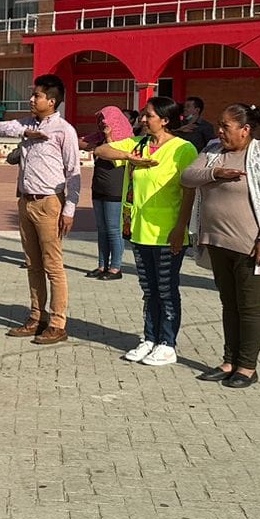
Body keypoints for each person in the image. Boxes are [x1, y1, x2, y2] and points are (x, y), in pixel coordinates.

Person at [181, 104, 260, 389]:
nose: (220, 131)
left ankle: (247, 366)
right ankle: (229, 361)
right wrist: (216, 174)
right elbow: (187, 177)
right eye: (219, 125)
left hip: (252, 247)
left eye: (226, 126)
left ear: (245, 130)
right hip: (217, 242)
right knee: (229, 304)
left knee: (250, 306)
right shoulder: (213, 150)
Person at [96, 96, 197, 364]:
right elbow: (101, 151)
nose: (142, 119)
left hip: (167, 232)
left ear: (165, 120)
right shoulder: (139, 144)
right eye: (143, 114)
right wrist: (129, 157)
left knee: (166, 289)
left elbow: (189, 193)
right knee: (149, 289)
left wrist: (181, 228)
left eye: (149, 115)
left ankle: (167, 342)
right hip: (139, 230)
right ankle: (149, 338)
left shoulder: (182, 149)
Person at [0, 76, 82, 346]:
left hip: (49, 203)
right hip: (26, 201)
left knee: (53, 265)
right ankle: (36, 316)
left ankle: (57, 322)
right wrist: (25, 133)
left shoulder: (64, 130)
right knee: (33, 264)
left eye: (37, 96)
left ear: (52, 101)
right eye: (33, 95)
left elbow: (74, 172)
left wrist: (69, 209)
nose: (32, 100)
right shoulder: (26, 124)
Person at [83, 105, 135, 280]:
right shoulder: (98, 139)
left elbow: (112, 155)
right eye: (100, 120)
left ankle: (115, 268)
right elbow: (81, 143)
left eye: (104, 120)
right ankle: (102, 265)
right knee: (102, 229)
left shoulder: (126, 141)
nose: (101, 123)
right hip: (98, 187)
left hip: (115, 189)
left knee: (113, 229)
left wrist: (109, 136)